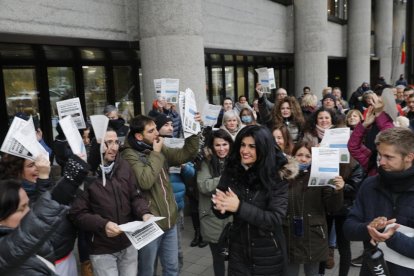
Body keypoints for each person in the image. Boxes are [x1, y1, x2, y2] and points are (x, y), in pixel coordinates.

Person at [121, 114, 200, 276]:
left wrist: (193, 131)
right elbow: (145, 181)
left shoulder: (155, 145)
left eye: (156, 128)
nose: (157, 133)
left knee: (172, 268)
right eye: (151, 131)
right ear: (139, 136)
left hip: (169, 219)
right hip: (149, 223)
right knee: (147, 270)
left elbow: (183, 155)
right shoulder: (129, 154)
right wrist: (156, 153)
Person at [69, 128, 152, 276]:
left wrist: (144, 213)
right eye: (108, 143)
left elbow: (135, 196)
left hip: (128, 244)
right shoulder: (84, 174)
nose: (114, 147)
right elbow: (77, 214)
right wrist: (103, 224)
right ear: (96, 145)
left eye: (116, 142)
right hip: (102, 249)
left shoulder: (124, 166)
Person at [212, 125, 289, 275]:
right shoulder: (233, 169)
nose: (245, 151)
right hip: (238, 253)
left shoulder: (277, 174)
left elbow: (275, 218)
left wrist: (239, 207)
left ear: (263, 148)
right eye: (242, 145)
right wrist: (219, 206)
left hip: (268, 255)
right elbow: (220, 204)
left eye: (252, 146)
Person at [0, 154, 88, 275]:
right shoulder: (11, 195)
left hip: (67, 257)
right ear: (18, 171)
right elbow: (41, 219)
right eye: (31, 165)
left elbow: (52, 205)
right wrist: (44, 180)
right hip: (55, 262)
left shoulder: (45, 186)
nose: (38, 168)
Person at [344, 127, 414, 275]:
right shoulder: (370, 185)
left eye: (388, 157)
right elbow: (349, 229)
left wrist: (391, 236)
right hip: (372, 269)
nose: (381, 162)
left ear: (409, 157)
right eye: (380, 155)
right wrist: (369, 228)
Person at [284, 142, 344, 276]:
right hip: (289, 233)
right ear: (293, 156)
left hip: (314, 234)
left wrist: (338, 191)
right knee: (289, 271)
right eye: (299, 155)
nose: (303, 159)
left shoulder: (321, 176)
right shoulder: (284, 176)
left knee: (312, 272)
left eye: (308, 156)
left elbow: (333, 207)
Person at [197, 129, 234, 276]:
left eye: (225, 144)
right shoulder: (206, 162)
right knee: (218, 258)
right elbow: (203, 185)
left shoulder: (237, 160)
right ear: (212, 146)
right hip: (212, 218)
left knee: (236, 258)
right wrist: (227, 178)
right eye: (217, 145)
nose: (221, 148)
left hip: (234, 217)